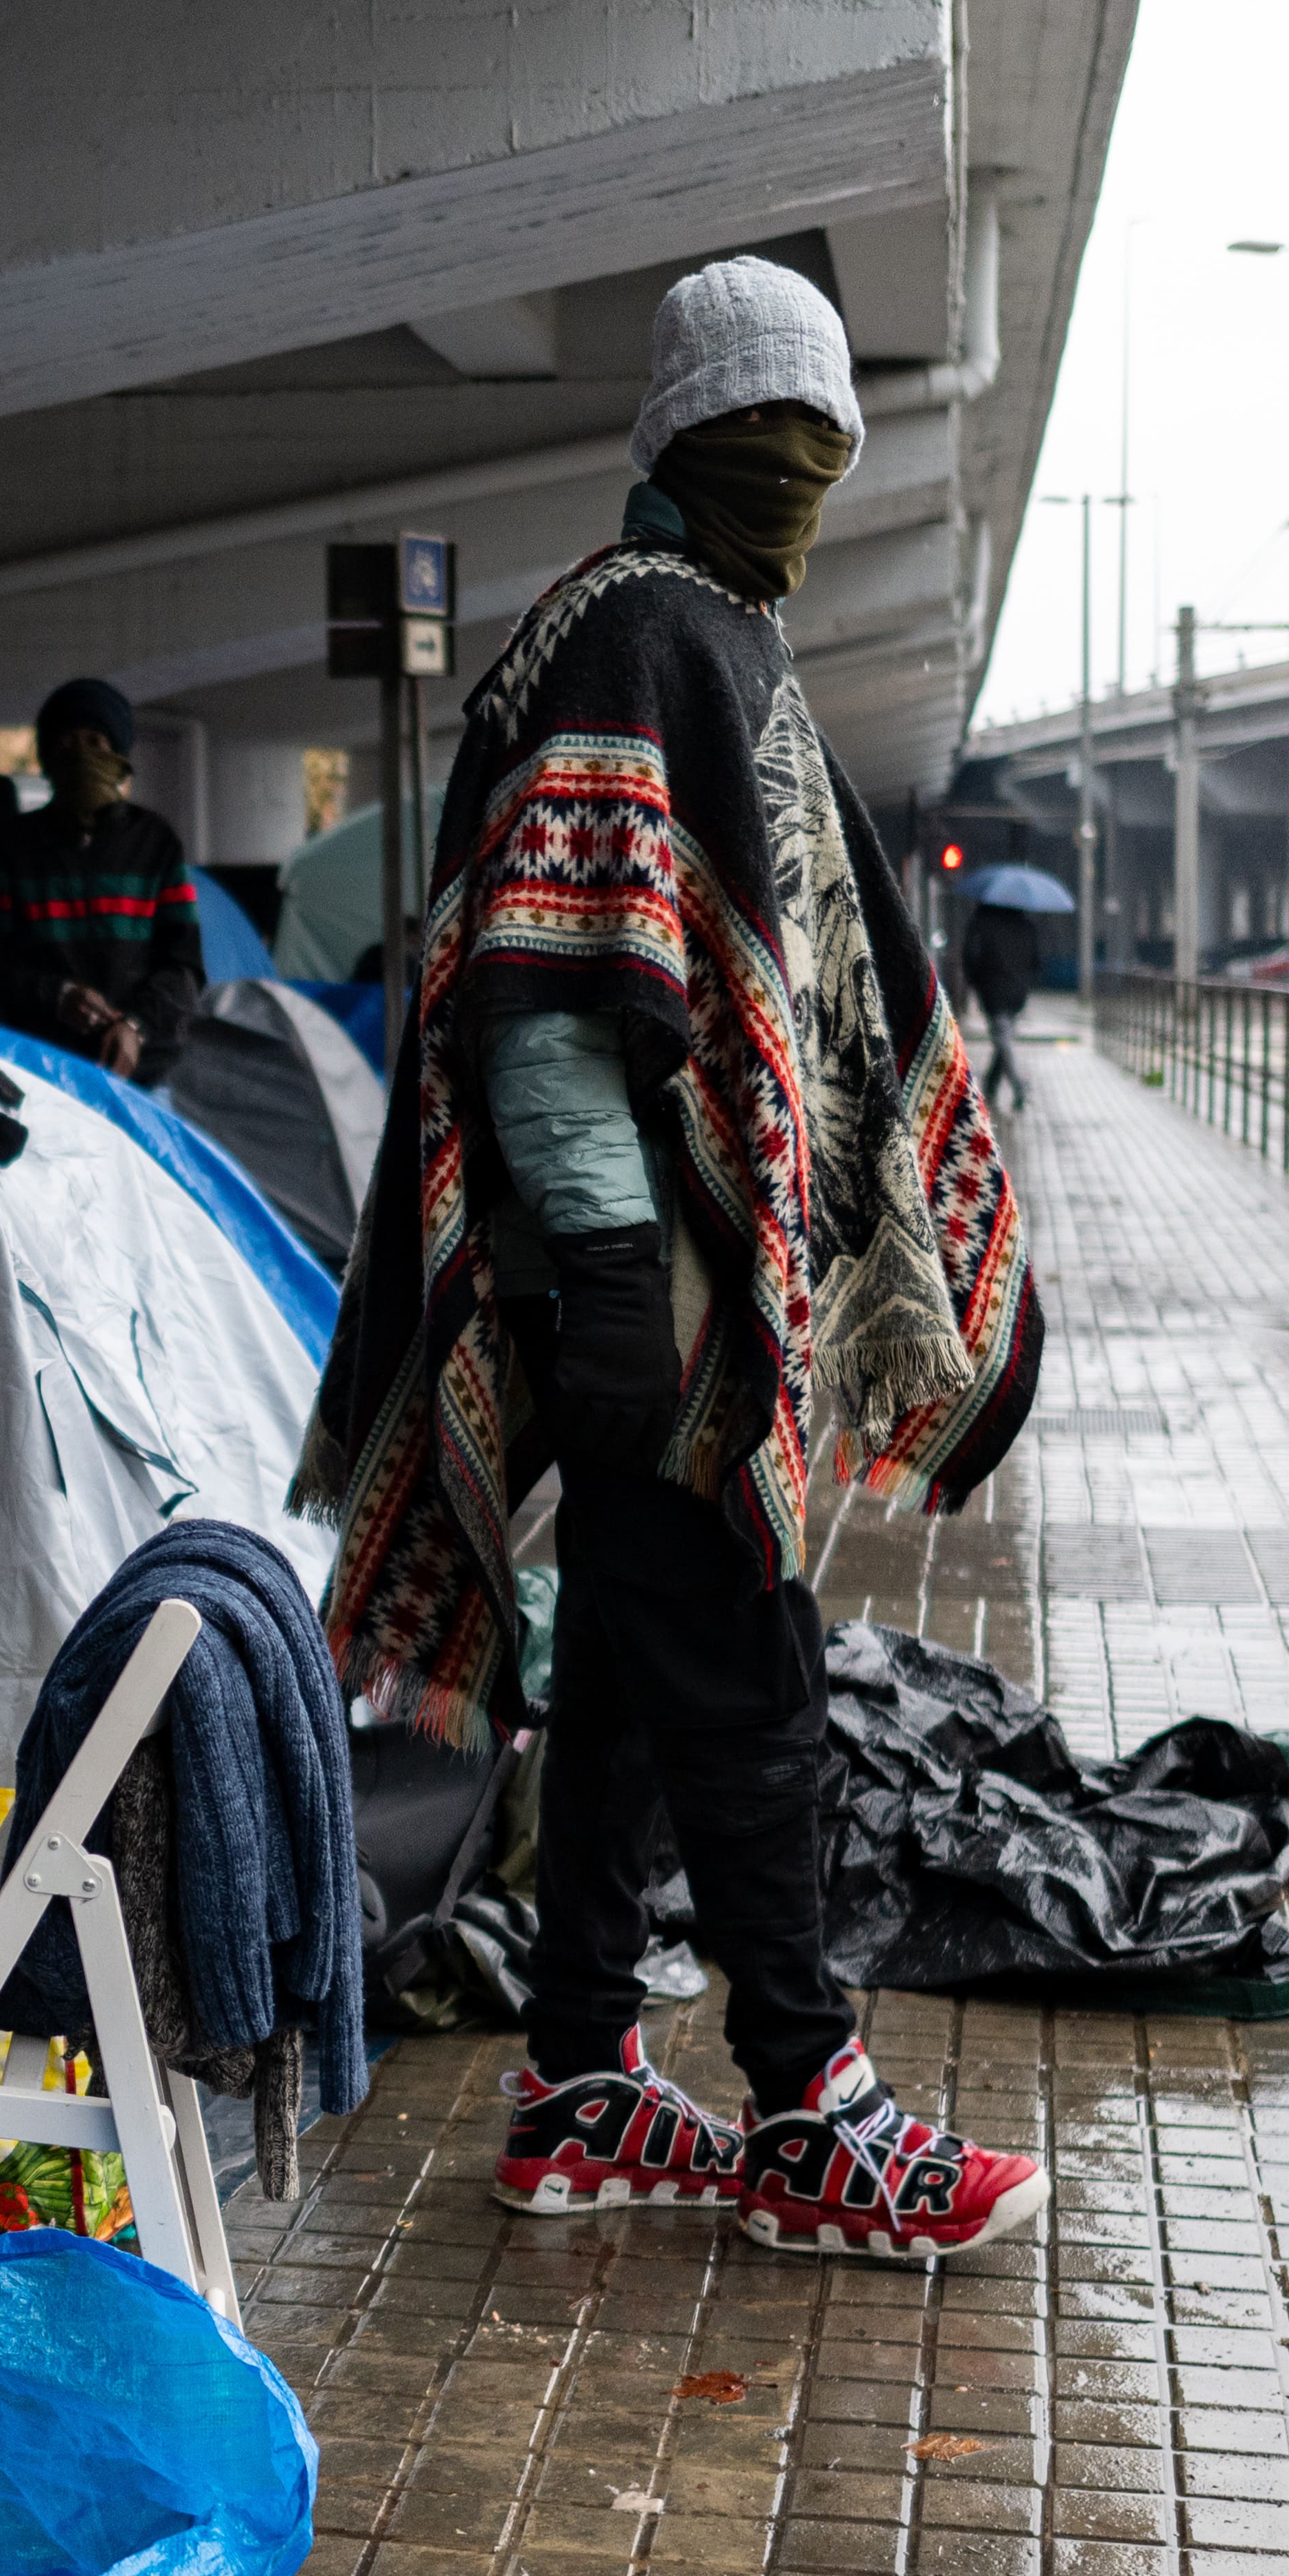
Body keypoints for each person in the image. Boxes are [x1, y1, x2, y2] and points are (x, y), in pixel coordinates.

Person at [299, 257, 1052, 2263]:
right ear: (689, 442)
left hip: (669, 1298)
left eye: (825, 451)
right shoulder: (638, 632)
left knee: (636, 1678)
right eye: (767, 444)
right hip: (641, 1303)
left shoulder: (701, 629)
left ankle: (575, 2079)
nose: (798, 481)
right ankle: (811, 2111)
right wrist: (621, 1271)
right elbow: (552, 990)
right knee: (750, 1676)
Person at [0, 675, 203, 1083]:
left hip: (142, 1074)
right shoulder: (16, 846)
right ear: (48, 754)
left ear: (118, 753)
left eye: (95, 742)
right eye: (67, 743)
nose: (80, 755)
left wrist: (135, 1027)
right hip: (40, 1071)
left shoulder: (156, 844)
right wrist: (58, 996)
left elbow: (184, 966)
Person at [959, 896, 1039, 1105]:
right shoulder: (1027, 926)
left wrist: (975, 981)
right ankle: (991, 1084)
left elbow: (969, 955)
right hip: (1018, 993)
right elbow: (1037, 961)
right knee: (1004, 1037)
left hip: (992, 991)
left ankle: (1018, 1084)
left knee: (1003, 1040)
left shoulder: (982, 923)